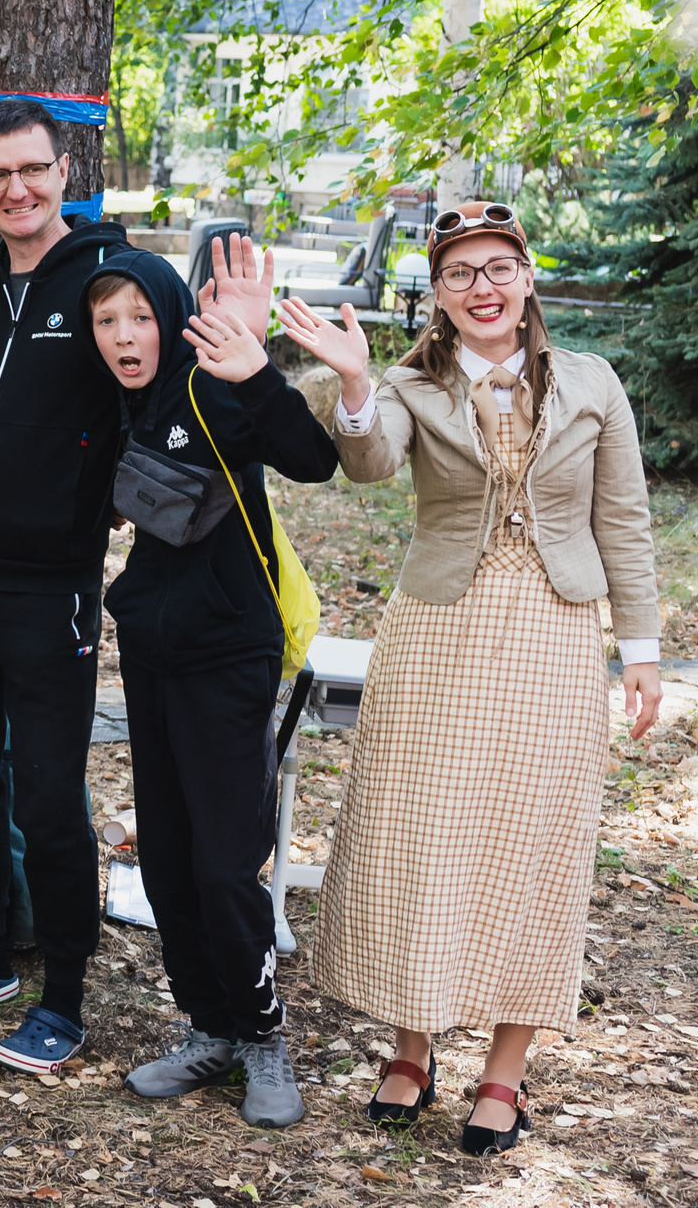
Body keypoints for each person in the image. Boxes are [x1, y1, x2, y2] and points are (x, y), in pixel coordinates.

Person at [279, 204, 663, 1157]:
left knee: (534, 836)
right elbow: (368, 464)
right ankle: (410, 1047)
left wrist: (644, 652)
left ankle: (506, 1068)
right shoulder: (413, 381)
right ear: (440, 296)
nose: (482, 287)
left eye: (498, 268)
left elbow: (626, 520)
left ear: (527, 277)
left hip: (555, 631)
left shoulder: (592, 382)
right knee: (425, 832)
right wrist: (358, 381)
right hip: (439, 630)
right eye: (459, 275)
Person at [0, 96, 233, 1076]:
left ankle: (65, 995)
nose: (15, 189)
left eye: (31, 169)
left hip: (47, 587)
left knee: (48, 792)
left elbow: (169, 385)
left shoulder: (104, 280)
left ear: (62, 167)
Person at [83, 266, 337, 1128]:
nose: (123, 335)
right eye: (106, 319)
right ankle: (210, 1029)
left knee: (225, 864)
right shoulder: (118, 399)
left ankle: (265, 1036)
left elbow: (312, 458)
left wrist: (256, 367)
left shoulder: (210, 384)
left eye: (140, 317)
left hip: (230, 652)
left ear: (176, 321)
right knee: (165, 860)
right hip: (151, 651)